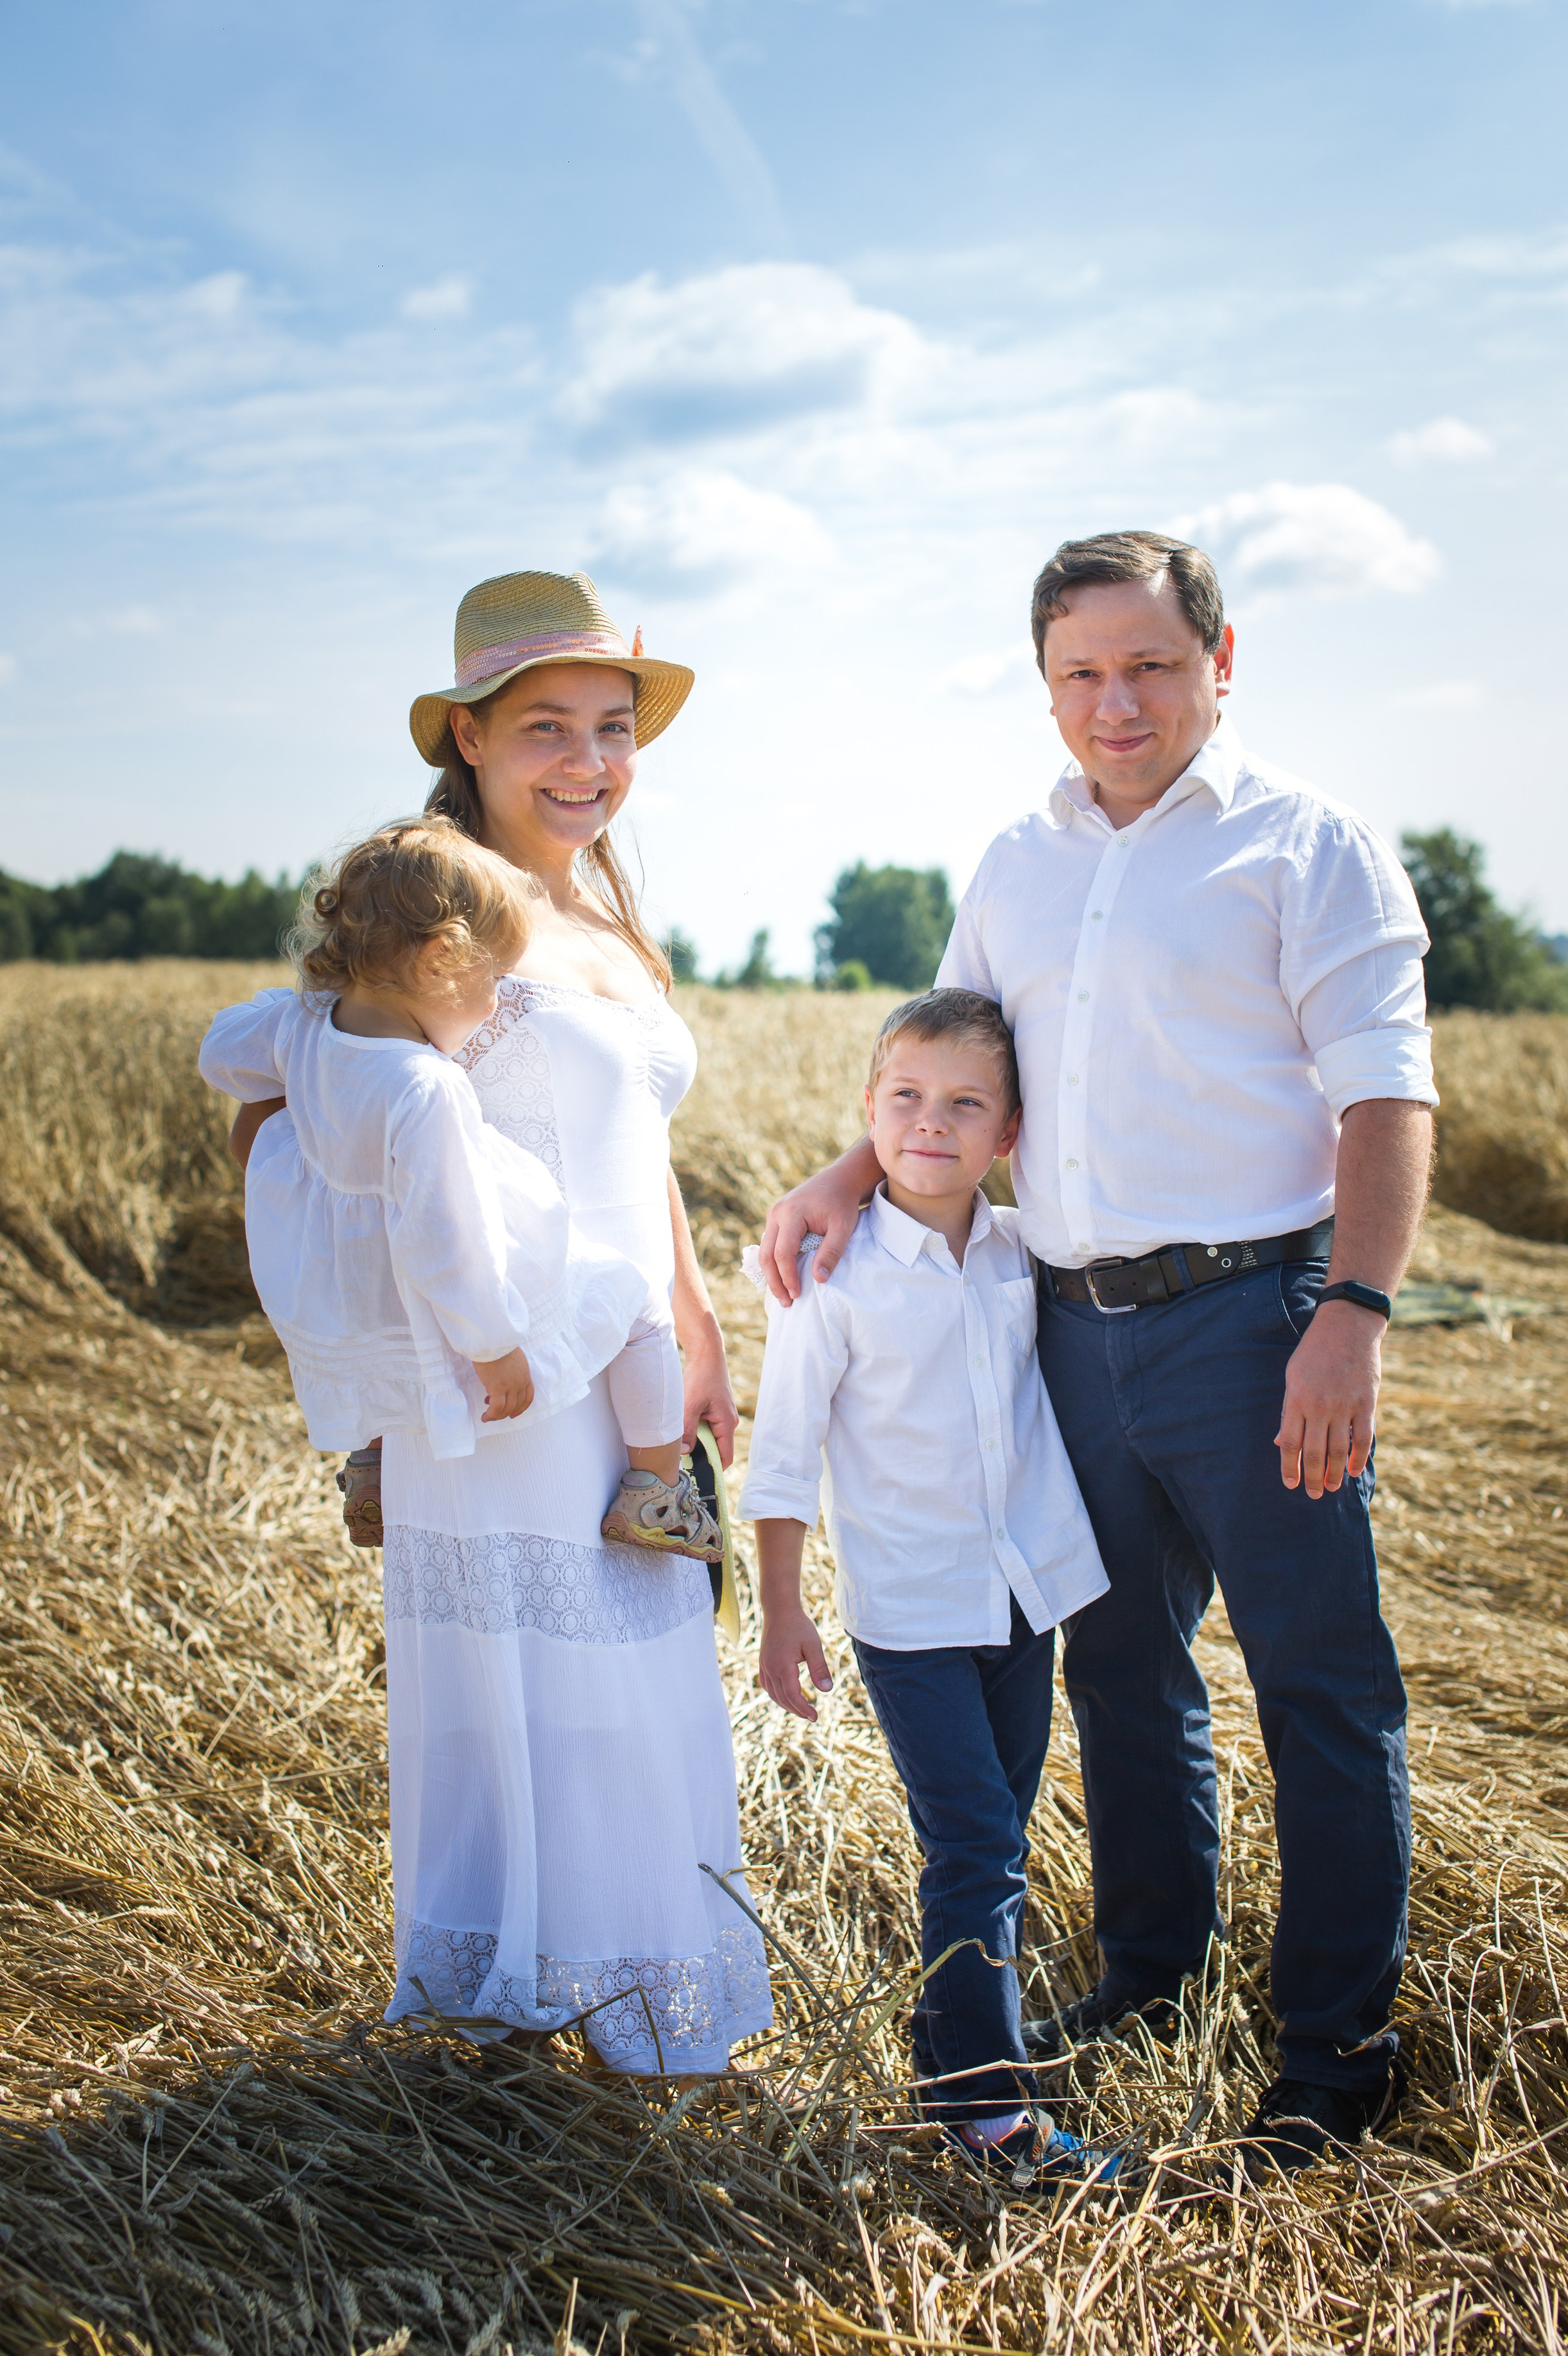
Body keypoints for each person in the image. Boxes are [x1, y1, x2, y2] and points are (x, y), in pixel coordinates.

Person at [759, 531, 1436, 2172]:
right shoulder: (1015, 856)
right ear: (1045, 682)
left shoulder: (1304, 843)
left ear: (1219, 655)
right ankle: (1150, 1973)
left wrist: (1349, 1313)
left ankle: (1335, 2041)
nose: (1112, 702)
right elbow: (952, 1059)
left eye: (1145, 664)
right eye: (1078, 672)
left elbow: (1383, 1098)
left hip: (1254, 1316)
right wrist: (850, 1170)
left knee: (1316, 1680)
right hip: (1063, 1324)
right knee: (1120, 1671)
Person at [228, 568, 771, 2069]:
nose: (589, 762)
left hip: (626, 1353)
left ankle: (622, 1992)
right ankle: (515, 2003)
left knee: (639, 1664)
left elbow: (631, 1147)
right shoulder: (442, 907)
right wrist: (410, 1330)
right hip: (507, 1374)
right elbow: (306, 1099)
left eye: (612, 728)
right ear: (467, 733)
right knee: (537, 1683)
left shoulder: (599, 901)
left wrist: (696, 1312)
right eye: (548, 727)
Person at [742, 988, 1114, 2189]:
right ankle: (991, 2112)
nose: (931, 1123)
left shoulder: (1023, 1255)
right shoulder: (831, 1283)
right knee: (977, 1842)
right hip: (911, 1614)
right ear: (866, 1113)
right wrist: (784, 1610)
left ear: (1010, 1133)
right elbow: (785, 1458)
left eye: (966, 1104)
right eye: (904, 1098)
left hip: (1022, 1598)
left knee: (988, 1834)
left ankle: (943, 2061)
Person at [201, 819, 716, 1563]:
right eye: (493, 981)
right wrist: (492, 1344)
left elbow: (223, 1050)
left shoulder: (302, 1029)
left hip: (345, 1286)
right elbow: (451, 1234)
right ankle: (658, 1490)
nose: (495, 1005)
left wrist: (310, 1009)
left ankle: (373, 1471)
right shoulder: (426, 1087)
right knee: (637, 1303)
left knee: (388, 1339)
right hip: (450, 1297)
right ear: (443, 958)